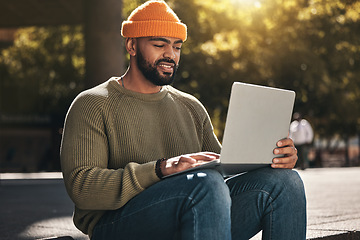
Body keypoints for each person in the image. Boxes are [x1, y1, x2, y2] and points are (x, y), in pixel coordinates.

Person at [60, 1, 306, 239]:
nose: (170, 55)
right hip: (116, 225)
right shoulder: (92, 104)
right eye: (159, 44)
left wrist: (273, 159)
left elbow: (223, 171)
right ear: (132, 45)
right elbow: (82, 188)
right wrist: (161, 169)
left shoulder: (191, 107)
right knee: (205, 184)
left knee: (286, 183)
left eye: (177, 47)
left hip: (194, 213)